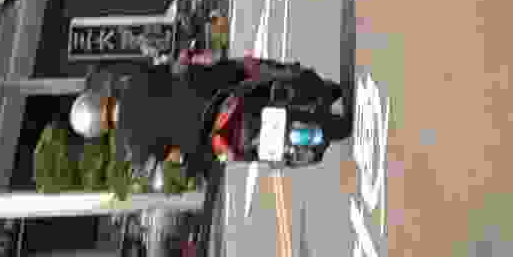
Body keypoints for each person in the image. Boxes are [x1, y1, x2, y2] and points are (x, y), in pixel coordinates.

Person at [76, 52, 345, 170]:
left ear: (99, 129)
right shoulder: (135, 83)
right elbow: (176, 69)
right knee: (249, 67)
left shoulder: (133, 148)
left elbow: (174, 156)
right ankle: (308, 83)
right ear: (100, 99)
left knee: (244, 154)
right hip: (217, 91)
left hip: (214, 138)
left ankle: (293, 150)